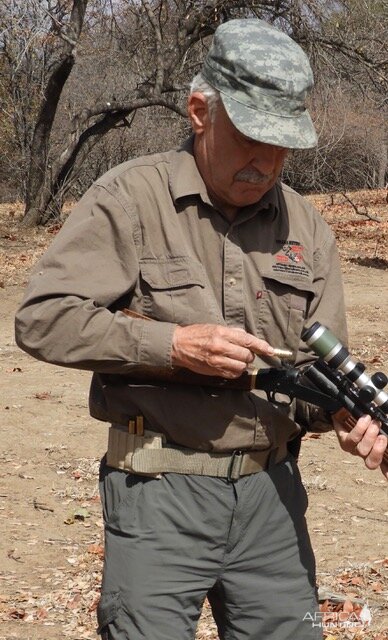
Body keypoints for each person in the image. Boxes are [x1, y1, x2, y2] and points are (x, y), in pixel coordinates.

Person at [15, 18, 387, 640]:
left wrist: (350, 423)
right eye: (249, 138)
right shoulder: (131, 198)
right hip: (158, 494)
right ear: (198, 112)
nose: (267, 162)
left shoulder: (307, 228)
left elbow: (316, 376)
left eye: (282, 143)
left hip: (273, 499)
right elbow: (43, 318)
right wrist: (172, 346)